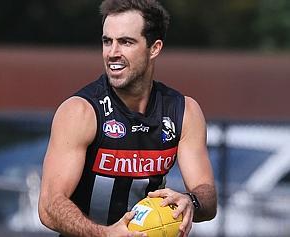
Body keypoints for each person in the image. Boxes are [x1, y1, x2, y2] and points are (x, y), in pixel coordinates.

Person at [38, 0, 217, 236]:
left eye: (126, 42)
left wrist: (190, 201)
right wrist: (105, 233)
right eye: (107, 41)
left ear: (154, 48)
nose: (113, 53)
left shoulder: (184, 111)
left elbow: (208, 198)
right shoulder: (80, 111)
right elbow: (49, 205)